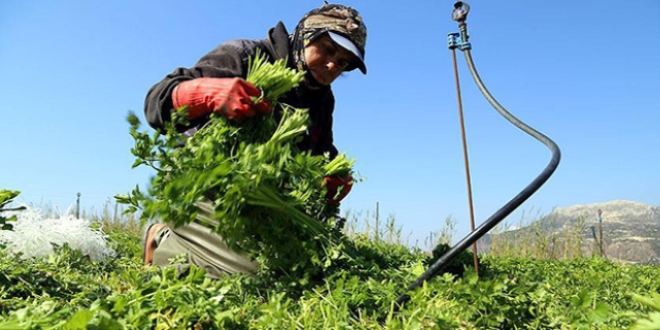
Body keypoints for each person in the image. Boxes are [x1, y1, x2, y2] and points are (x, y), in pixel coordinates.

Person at [141, 3, 368, 278]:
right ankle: (162, 238)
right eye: (328, 49)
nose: (333, 65)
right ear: (305, 36)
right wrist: (203, 94)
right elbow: (156, 103)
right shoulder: (245, 55)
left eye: (343, 62)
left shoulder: (321, 98)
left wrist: (333, 171)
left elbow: (319, 148)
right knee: (254, 272)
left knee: (304, 264)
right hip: (200, 181)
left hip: (259, 195)